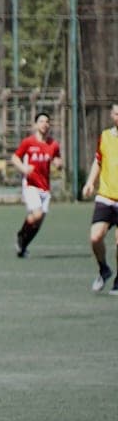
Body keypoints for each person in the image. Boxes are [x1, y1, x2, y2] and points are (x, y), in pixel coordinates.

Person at [11, 112, 62, 258]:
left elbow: (58, 160)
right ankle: (21, 235)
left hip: (45, 187)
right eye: (41, 121)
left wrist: (59, 164)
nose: (44, 124)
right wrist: (24, 169)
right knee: (37, 214)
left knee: (38, 223)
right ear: (35, 125)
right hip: (31, 184)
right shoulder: (28, 142)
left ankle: (22, 247)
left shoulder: (53, 144)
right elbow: (15, 158)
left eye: (47, 121)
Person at [82, 102, 118, 293]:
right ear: (112, 116)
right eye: (117, 114)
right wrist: (90, 183)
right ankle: (104, 269)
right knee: (95, 238)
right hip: (105, 196)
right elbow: (98, 161)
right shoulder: (105, 136)